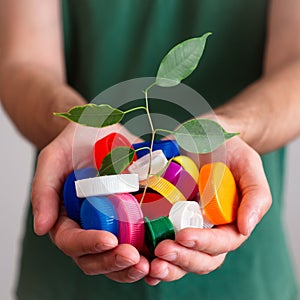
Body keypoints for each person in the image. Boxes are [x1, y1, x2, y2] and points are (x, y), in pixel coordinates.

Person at [0, 0, 299, 299]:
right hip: (69, 273)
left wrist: (228, 129)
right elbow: (22, 63)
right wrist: (78, 125)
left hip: (242, 275)